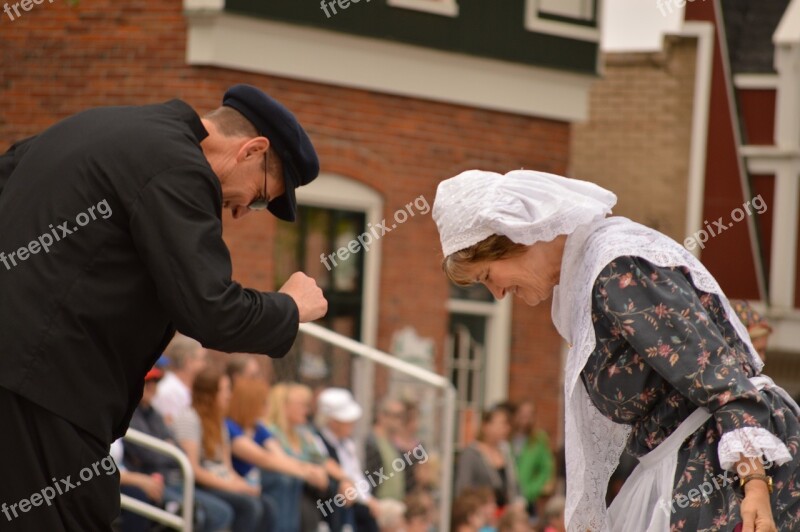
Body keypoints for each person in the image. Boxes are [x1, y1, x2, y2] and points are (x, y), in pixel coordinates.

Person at [0, 83, 328, 530]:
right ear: (253, 150)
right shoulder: (178, 166)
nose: (240, 212)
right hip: (45, 391)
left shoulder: (92, 126)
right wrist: (290, 306)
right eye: (259, 198)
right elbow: (212, 310)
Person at [433, 169, 800, 531]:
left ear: (517, 237)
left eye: (486, 276)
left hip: (727, 470)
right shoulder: (590, 279)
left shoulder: (618, 267)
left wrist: (754, 484)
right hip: (690, 465)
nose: (497, 294)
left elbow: (722, 378)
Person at [126, 366, 234, 532]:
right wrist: (167, 448)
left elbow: (179, 452)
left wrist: (167, 449)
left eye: (155, 382)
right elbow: (148, 455)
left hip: (175, 479)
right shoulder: (130, 414)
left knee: (222, 511)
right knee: (207, 513)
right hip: (155, 480)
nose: (151, 387)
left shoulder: (155, 414)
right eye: (147, 382)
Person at [173, 367, 274, 532]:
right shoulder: (189, 419)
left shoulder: (220, 423)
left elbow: (227, 467)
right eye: (225, 390)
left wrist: (242, 484)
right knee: (249, 506)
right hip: (202, 485)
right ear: (210, 394)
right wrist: (233, 487)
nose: (229, 395)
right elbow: (194, 470)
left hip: (222, 481)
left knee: (267, 505)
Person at [226, 376, 330, 526]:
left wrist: (309, 469)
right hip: (241, 482)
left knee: (291, 478)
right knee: (283, 479)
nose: (268, 406)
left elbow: (280, 456)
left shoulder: (258, 428)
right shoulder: (231, 427)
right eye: (263, 402)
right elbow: (264, 458)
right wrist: (306, 472)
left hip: (255, 483)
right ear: (250, 403)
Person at [314, 387, 382, 532]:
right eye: (345, 420)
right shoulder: (317, 440)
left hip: (352, 498)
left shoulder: (347, 444)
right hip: (329, 501)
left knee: (370, 517)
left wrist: (367, 499)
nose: (351, 424)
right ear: (332, 421)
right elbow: (324, 463)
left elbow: (356, 474)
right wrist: (346, 484)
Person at [455, 406, 521, 511]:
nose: (506, 428)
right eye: (502, 424)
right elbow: (463, 489)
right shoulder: (471, 454)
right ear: (486, 426)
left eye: (507, 425)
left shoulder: (506, 451)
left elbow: (515, 485)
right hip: (481, 513)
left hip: (505, 514)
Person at [508, 401, 555, 517]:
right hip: (509, 495)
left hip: (529, 498)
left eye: (529, 414)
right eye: (522, 413)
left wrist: (533, 490)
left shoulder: (539, 439)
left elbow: (547, 469)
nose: (526, 418)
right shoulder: (507, 437)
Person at [153, 334, 209, 426]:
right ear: (189, 362)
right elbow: (169, 427)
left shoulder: (183, 389)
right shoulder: (169, 390)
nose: (205, 365)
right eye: (202, 360)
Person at [365, 398, 407, 500]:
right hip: (378, 506)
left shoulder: (391, 443)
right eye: (397, 416)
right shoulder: (372, 443)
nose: (400, 421)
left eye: (402, 416)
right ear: (381, 416)